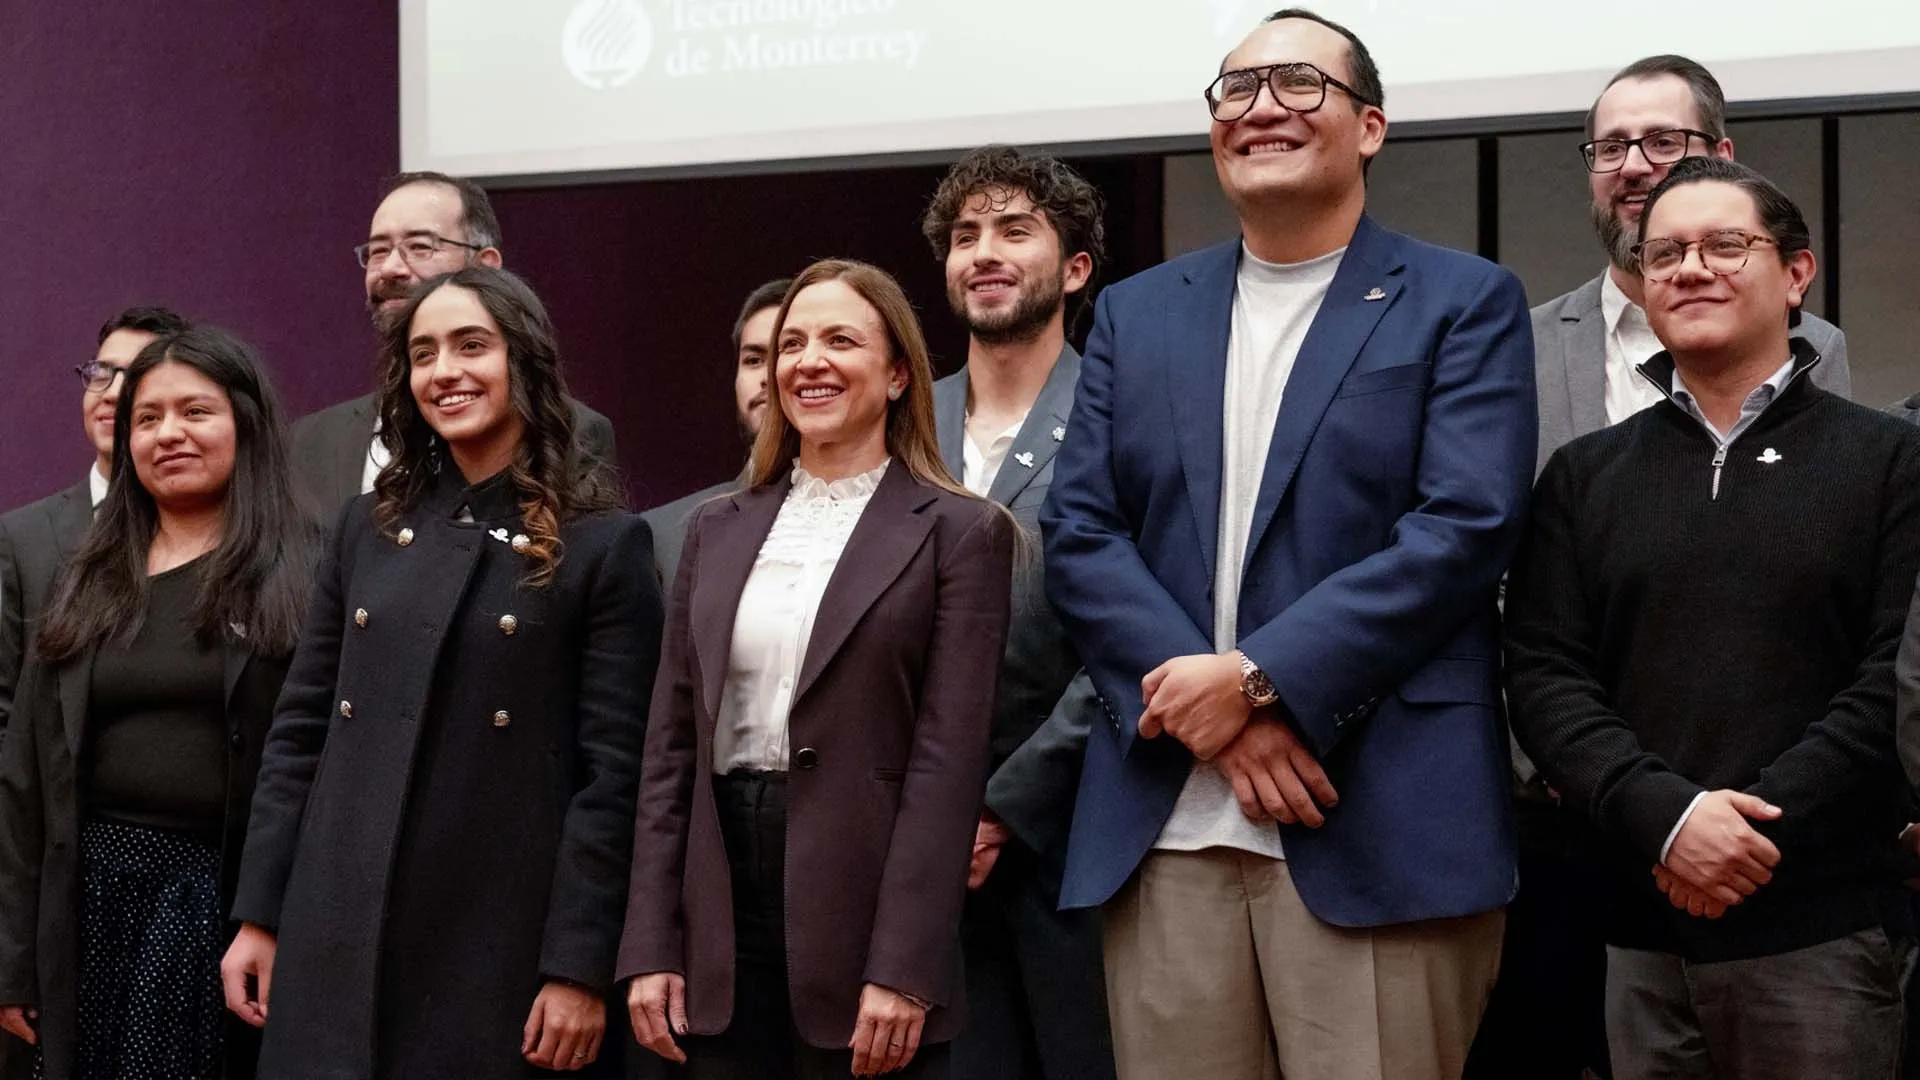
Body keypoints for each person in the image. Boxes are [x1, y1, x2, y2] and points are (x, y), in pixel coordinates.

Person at [1040, 10, 1536, 1080]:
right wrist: (1216, 716)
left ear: (1370, 127)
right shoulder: (1136, 313)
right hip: (1166, 823)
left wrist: (1263, 680)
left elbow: (1465, 527)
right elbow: (1079, 531)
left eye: (1300, 85)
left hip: (1379, 818)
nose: (1262, 107)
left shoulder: (1462, 301)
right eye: (1236, 88)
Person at [1512, 155, 1920, 1080]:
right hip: (1630, 928)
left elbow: (1892, 678)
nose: (1690, 268)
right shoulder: (1582, 476)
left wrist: (1744, 835)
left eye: (1725, 245)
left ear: (1797, 274)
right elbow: (1544, 676)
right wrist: (1667, 821)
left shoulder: (1893, 461)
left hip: (1823, 927)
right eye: (1664, 255)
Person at [220, 266, 663, 1079]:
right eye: (423, 354)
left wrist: (577, 966)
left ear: (523, 361)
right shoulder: (367, 526)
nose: (445, 372)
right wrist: (260, 913)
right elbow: (301, 730)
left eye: (471, 346)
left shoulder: (604, 543)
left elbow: (616, 780)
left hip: (496, 948)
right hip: (335, 928)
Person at [621, 259, 1015, 1080]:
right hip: (719, 900)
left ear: (899, 372)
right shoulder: (713, 528)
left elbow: (948, 767)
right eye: (791, 344)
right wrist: (651, 942)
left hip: (866, 912)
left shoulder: (964, 533)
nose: (809, 361)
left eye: (841, 340)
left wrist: (907, 966)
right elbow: (669, 754)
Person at [0, 326, 317, 1080]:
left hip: (224, 912)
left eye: (195, 412)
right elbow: (22, 783)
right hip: (87, 907)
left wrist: (266, 916)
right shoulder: (87, 575)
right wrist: (14, 957)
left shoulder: (310, 569)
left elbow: (317, 769)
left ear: (245, 420)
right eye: (147, 418)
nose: (168, 434)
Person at [922, 145, 1115, 1080]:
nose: (983, 253)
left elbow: (1133, 643)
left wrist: (1001, 809)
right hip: (907, 849)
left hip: (1071, 845)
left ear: (1075, 269)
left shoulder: (1129, 415)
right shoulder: (901, 420)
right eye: (965, 236)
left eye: (1013, 230)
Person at [1532, 55, 1849, 473]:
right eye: (1611, 148)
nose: (1632, 166)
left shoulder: (1811, 345)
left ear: (1722, 159)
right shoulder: (1525, 344)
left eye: (1663, 142)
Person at [291, 171, 616, 516]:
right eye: (378, 250)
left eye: (420, 247)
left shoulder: (572, 432)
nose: (391, 268)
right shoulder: (309, 441)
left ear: (485, 266)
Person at [0, 306, 189, 733]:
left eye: (135, 376)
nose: (109, 394)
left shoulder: (213, 531)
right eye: (100, 373)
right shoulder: (22, 540)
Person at [642, 277, 789, 587]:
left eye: (786, 353)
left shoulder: (898, 520)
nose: (765, 376)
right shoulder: (663, 536)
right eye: (753, 360)